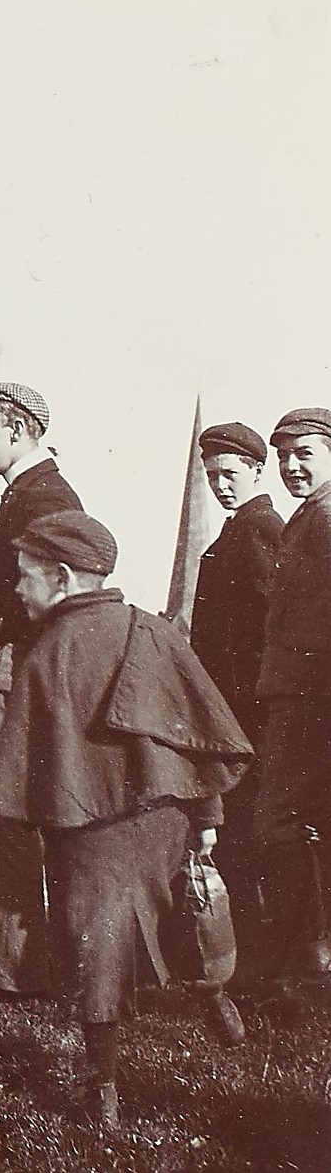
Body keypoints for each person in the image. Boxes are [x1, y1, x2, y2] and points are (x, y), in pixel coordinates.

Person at [0, 512, 253, 1128]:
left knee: (95, 943)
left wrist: (23, 824)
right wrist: (207, 814)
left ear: (63, 579)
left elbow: (22, 772)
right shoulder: (152, 631)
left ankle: (102, 1090)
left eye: (24, 578)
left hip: (86, 829)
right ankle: (216, 1001)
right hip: (166, 817)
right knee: (185, 916)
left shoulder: (47, 654)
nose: (17, 591)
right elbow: (194, 737)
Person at [0, 381, 83, 995]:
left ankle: (12, 973)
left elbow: (58, 596)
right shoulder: (28, 493)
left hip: (15, 669)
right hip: (7, 666)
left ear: (16, 430)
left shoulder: (44, 497)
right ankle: (18, 965)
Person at [189, 422, 284, 984]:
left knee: (247, 841)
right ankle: (252, 960)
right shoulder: (242, 531)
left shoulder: (259, 533)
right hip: (235, 714)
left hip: (249, 718)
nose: (221, 485)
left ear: (256, 470)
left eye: (230, 474)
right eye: (212, 477)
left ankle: (259, 964)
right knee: (240, 840)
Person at [254, 407, 331, 987]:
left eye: (304, 453)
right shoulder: (307, 518)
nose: (290, 466)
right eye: (283, 456)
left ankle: (299, 964)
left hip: (312, 701)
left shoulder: (326, 520)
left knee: (286, 824)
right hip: (295, 695)